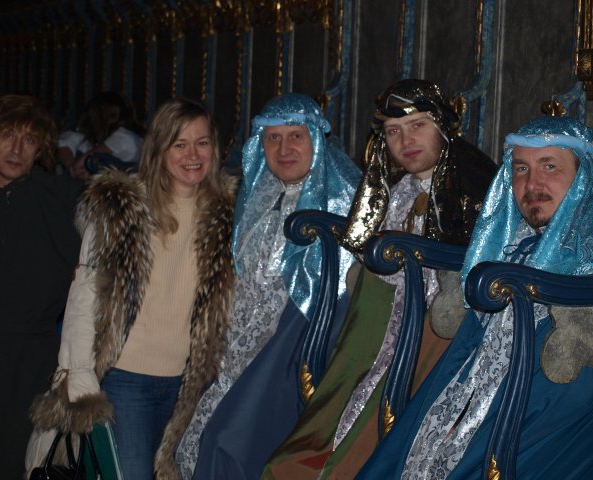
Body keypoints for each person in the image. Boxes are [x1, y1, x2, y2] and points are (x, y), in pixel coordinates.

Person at [262, 79, 498, 479]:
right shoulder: (394, 192)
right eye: (393, 131)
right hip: (377, 333)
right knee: (300, 453)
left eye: (417, 125)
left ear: (442, 127)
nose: (406, 140)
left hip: (434, 340)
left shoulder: (475, 189)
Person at [357, 114, 593, 479]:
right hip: (473, 393)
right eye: (521, 169)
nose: (532, 184)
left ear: (582, 177)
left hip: (548, 414)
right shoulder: (507, 244)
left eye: (550, 166)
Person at [26, 97, 237, 480]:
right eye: (180, 144)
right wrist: (79, 373)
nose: (193, 155)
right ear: (158, 149)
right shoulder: (121, 208)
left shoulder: (227, 214)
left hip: (189, 385)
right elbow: (84, 295)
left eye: (202, 142)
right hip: (127, 379)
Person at [174, 93, 361, 479]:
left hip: (289, 360)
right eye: (273, 138)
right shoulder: (258, 199)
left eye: (296, 136)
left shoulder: (342, 206)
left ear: (316, 139)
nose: (284, 149)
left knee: (226, 445)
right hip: (233, 356)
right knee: (194, 444)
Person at [0, 94, 82, 479]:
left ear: (40, 150)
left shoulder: (61, 199)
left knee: (20, 464)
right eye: (7, 135)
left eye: (29, 140)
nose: (16, 149)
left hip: (33, 364)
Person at [57, 91, 144, 180]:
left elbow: (122, 140)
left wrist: (83, 161)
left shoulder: (130, 139)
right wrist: (70, 165)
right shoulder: (91, 140)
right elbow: (65, 140)